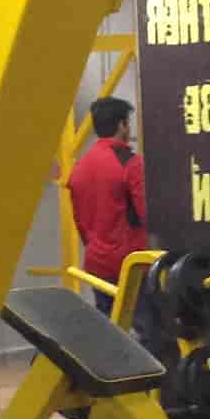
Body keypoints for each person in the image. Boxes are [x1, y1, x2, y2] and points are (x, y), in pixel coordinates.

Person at [67, 96, 149, 292]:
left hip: (97, 265)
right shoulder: (130, 163)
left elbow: (79, 220)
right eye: (128, 123)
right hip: (131, 267)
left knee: (105, 313)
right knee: (144, 313)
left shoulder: (80, 167)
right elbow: (147, 214)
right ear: (121, 125)